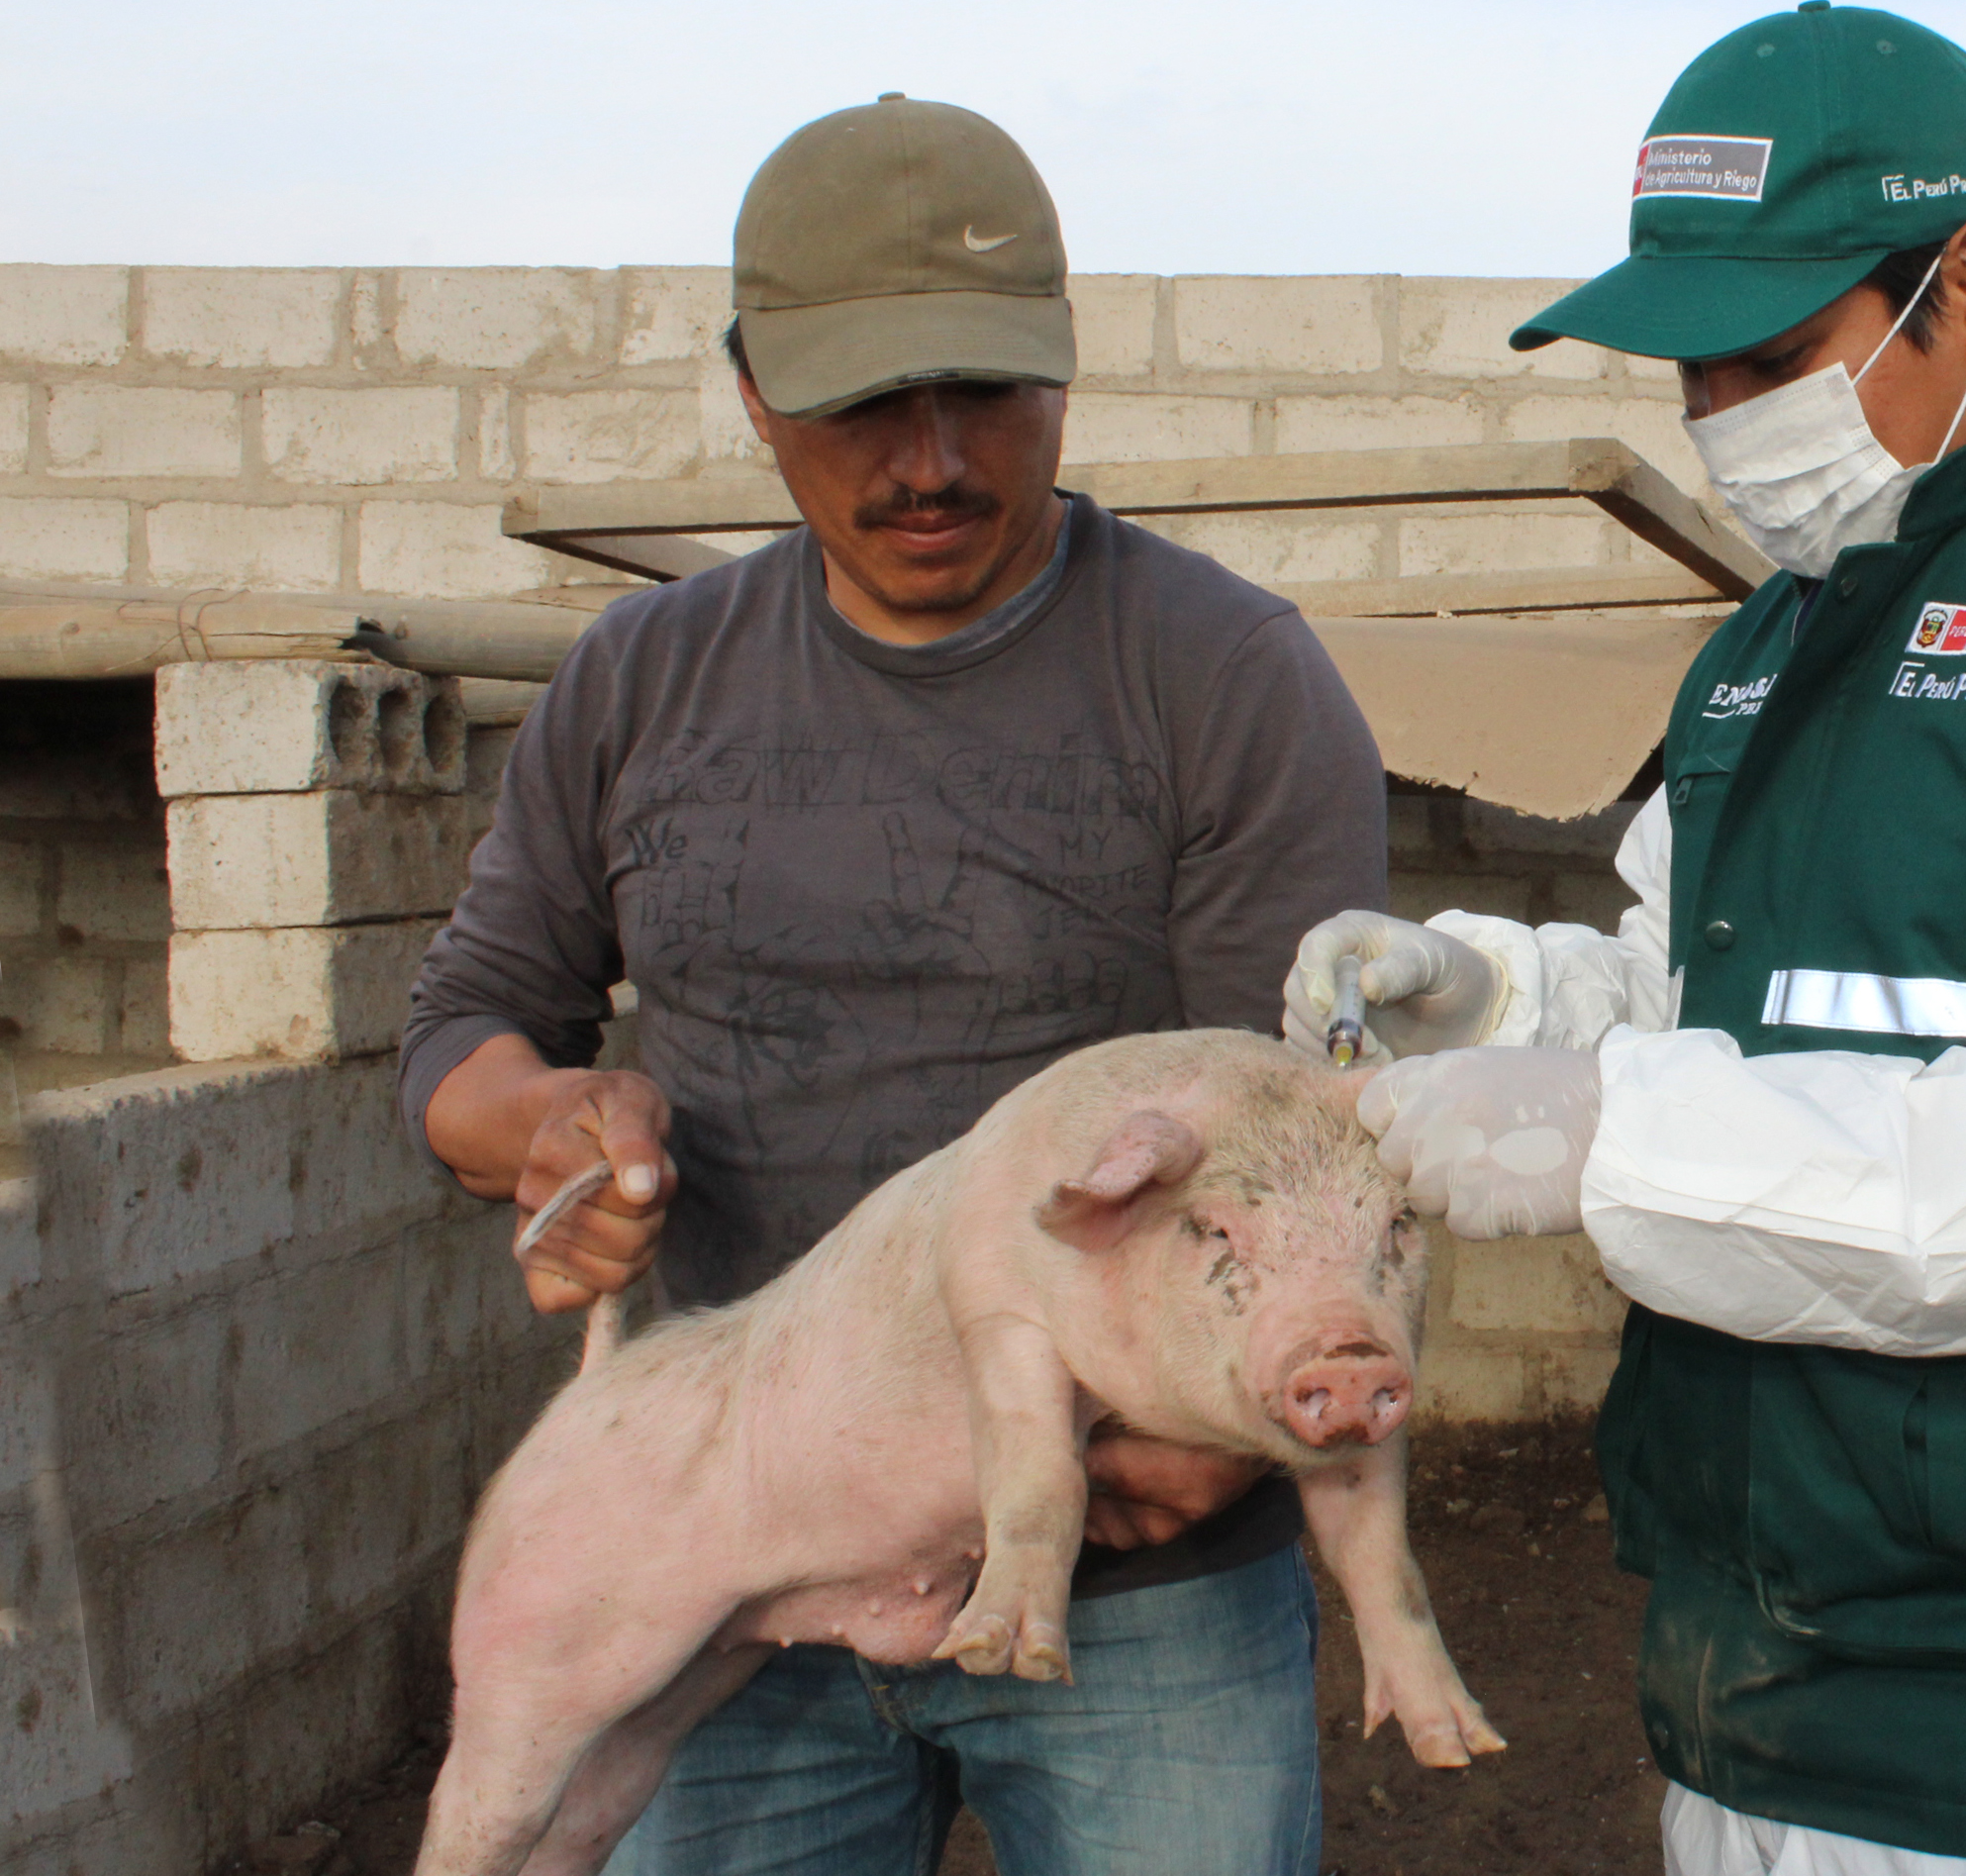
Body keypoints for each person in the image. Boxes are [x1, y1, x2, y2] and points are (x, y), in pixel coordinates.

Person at [1283, 4, 1966, 1876]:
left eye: (1768, 356)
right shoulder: (1787, 633)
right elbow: (1707, 997)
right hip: (1755, 1696)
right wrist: (1503, 988)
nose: (1724, 424)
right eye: (1688, 375)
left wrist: (1616, 1140)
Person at [405, 93, 1385, 1876]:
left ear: (1065, 371)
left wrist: (1209, 1443)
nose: (929, 459)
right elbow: (464, 1031)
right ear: (756, 388)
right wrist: (551, 1120)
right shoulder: (644, 676)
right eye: (864, 404)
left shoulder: (1222, 673)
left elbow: (1303, 1122)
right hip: (730, 1524)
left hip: (1137, 1571)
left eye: (985, 394)